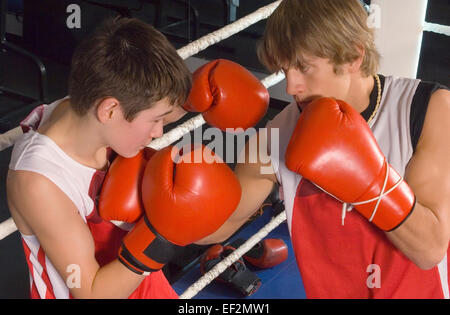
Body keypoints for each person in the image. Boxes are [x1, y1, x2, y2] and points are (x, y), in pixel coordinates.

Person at [197, 0, 450, 298]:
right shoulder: (276, 137)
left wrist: (368, 180)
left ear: (354, 56)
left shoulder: (426, 110)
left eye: (304, 67)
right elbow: (222, 224)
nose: (291, 87)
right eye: (284, 68)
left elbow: (429, 249)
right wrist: (150, 198)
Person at [6, 17, 194, 299]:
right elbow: (91, 293)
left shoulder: (91, 107)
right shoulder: (39, 181)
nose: (158, 133)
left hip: (144, 285)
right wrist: (158, 236)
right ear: (109, 111)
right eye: (155, 121)